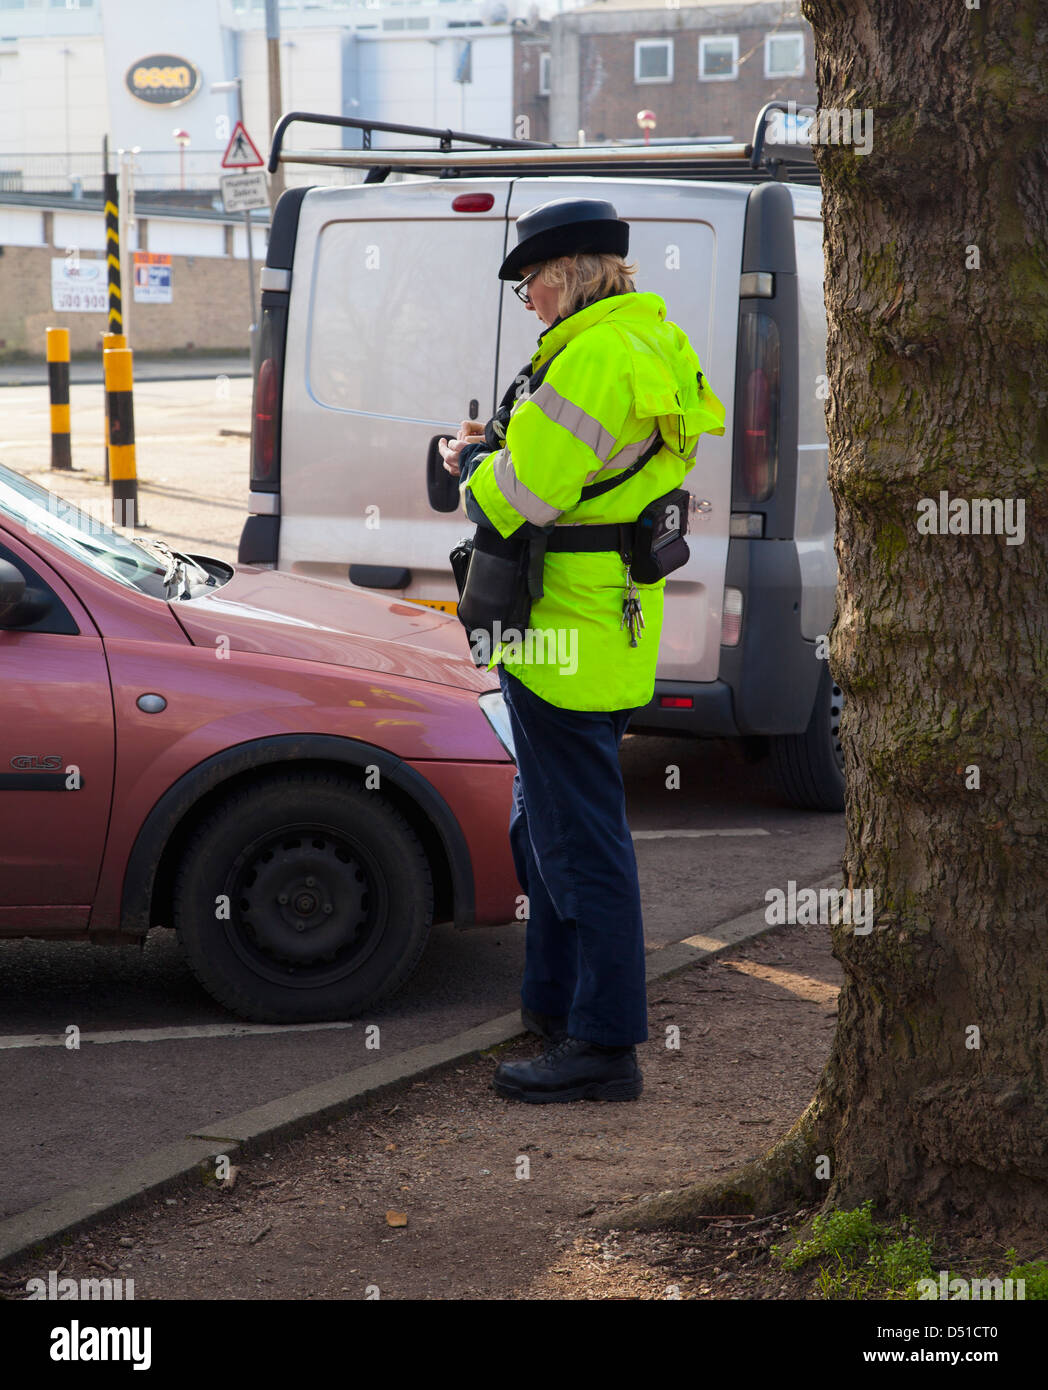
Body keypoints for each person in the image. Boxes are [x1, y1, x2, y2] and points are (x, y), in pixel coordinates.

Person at [439, 198, 724, 1104]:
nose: (527, 301)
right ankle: (553, 1003)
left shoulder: (593, 355)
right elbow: (595, 468)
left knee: (580, 842)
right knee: (544, 823)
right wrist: (509, 445)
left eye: (530, 285)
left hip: (567, 635)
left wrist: (472, 464)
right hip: (604, 621)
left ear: (567, 276)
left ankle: (604, 1046)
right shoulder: (649, 341)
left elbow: (518, 497)